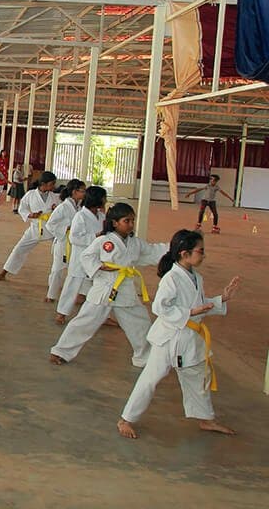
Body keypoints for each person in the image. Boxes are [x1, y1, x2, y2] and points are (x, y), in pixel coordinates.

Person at [118, 229, 241, 439]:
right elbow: (159, 308)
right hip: (168, 338)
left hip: (188, 338)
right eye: (200, 251)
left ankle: (205, 418)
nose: (203, 255)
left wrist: (223, 298)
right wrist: (190, 312)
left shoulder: (195, 277)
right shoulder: (171, 278)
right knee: (150, 379)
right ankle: (126, 419)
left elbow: (200, 305)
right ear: (184, 254)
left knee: (197, 376)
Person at [49, 203, 168, 368]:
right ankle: (61, 351)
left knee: (140, 324)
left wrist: (175, 247)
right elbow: (86, 256)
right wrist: (98, 266)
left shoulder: (135, 243)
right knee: (84, 322)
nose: (131, 224)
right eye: (127, 221)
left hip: (125, 289)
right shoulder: (105, 241)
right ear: (115, 223)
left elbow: (153, 251)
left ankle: (144, 357)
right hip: (104, 288)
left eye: (133, 221)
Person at [0, 171, 59, 282]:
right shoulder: (31, 194)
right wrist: (31, 215)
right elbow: (22, 208)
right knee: (19, 249)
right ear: (43, 184)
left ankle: (59, 278)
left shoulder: (55, 197)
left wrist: (56, 209)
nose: (53, 186)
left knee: (60, 251)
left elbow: (60, 211)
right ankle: (4, 273)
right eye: (52, 184)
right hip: (36, 228)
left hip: (52, 229)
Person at [54, 186, 107, 325]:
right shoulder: (80, 216)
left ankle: (102, 315)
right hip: (80, 256)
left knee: (100, 286)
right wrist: (95, 236)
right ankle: (61, 312)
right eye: (104, 198)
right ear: (97, 199)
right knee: (73, 284)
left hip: (97, 257)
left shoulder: (101, 216)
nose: (105, 200)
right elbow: (74, 238)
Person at [43, 179, 86, 304]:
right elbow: (50, 224)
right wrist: (66, 228)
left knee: (79, 268)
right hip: (63, 242)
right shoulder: (63, 207)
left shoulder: (80, 207)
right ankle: (51, 294)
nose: (84, 193)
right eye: (82, 191)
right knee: (58, 269)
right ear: (74, 192)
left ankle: (80, 294)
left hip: (76, 242)